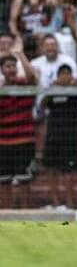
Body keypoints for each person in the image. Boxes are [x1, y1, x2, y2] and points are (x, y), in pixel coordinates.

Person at [41, 64, 77, 209]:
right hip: (53, 136)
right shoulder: (52, 92)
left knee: (69, 171)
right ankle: (55, 202)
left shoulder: (76, 92)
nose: (65, 76)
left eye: (67, 73)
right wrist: (50, 91)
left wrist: (75, 86)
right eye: (62, 74)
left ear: (71, 76)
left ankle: (70, 203)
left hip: (70, 137)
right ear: (58, 77)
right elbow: (42, 107)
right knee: (51, 169)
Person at [0, 52, 38, 208]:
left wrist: (20, 54)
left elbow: (33, 77)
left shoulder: (24, 85)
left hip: (24, 141)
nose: (11, 69)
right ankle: (5, 215)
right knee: (3, 181)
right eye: (7, 66)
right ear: (2, 70)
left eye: (13, 66)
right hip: (3, 142)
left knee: (24, 180)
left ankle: (26, 214)